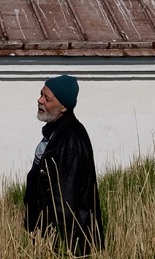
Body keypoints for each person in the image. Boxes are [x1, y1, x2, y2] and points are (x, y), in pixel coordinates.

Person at [23, 74, 104, 254]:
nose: (39, 100)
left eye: (47, 98)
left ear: (63, 107)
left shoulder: (69, 139)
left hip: (67, 242)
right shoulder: (56, 132)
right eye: (41, 94)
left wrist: (57, 244)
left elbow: (64, 198)